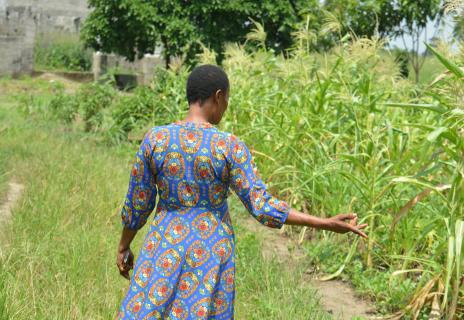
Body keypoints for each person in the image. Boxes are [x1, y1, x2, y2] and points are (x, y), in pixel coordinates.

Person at [115, 64, 367, 319]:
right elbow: (262, 206)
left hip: (164, 243)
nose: (225, 107)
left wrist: (124, 245)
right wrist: (324, 222)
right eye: (226, 100)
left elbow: (138, 203)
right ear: (218, 96)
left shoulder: (156, 139)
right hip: (210, 250)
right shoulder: (229, 146)